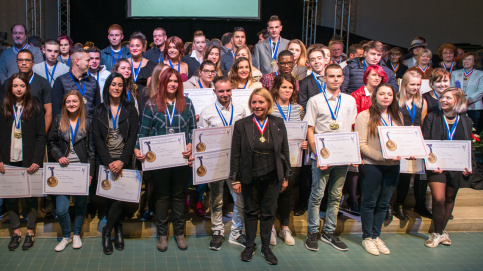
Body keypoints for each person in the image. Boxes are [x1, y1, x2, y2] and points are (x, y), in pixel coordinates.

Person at [135, 68, 196, 252]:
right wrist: (138, 148)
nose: (172, 84)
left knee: (178, 196)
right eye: (169, 81)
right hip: (159, 161)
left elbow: (193, 129)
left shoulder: (187, 103)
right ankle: (162, 234)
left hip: (181, 159)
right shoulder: (151, 104)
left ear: (179, 84)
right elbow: (143, 132)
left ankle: (179, 233)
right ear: (162, 83)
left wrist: (191, 145)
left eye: (176, 81)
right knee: (161, 197)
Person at [230, 87, 291, 265]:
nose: (257, 106)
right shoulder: (242, 124)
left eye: (261, 102)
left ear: (268, 103)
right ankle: (250, 245)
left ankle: (266, 247)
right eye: (254, 102)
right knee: (250, 212)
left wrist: (286, 177)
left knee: (268, 213)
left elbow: (285, 151)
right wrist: (235, 179)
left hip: (273, 176)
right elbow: (236, 154)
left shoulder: (278, 123)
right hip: (249, 176)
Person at [304, 64, 357, 252]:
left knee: (335, 195)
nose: (335, 79)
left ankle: (329, 232)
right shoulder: (315, 101)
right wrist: (317, 154)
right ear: (324, 78)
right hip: (322, 156)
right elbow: (310, 129)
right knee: (317, 194)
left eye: (338, 76)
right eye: (331, 76)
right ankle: (312, 232)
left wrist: (352, 153)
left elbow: (351, 128)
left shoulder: (350, 101)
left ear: (343, 78)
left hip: (342, 156)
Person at [197, 76, 247, 250]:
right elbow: (200, 140)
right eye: (221, 91)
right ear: (214, 91)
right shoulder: (207, 112)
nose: (225, 94)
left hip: (236, 162)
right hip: (215, 162)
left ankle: (236, 232)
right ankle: (217, 231)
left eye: (228, 90)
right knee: (216, 199)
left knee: (238, 198)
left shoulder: (241, 110)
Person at [92, 73, 139, 254]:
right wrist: (110, 162)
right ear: (107, 87)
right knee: (108, 198)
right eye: (113, 84)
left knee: (120, 198)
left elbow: (133, 135)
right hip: (105, 161)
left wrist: (122, 160)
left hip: (124, 159)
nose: (117, 88)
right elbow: (96, 138)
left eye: (120, 85)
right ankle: (117, 228)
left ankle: (107, 232)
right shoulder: (99, 110)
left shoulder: (130, 108)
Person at [355, 83, 404, 255]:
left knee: (384, 203)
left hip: (393, 166)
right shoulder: (364, 116)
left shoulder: (397, 115)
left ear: (393, 97)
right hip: (372, 165)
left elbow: (401, 141)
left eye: (389, 94)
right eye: (382, 94)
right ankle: (367, 237)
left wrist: (408, 151)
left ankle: (376, 236)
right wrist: (381, 157)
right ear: (374, 96)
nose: (386, 97)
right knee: (369, 202)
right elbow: (361, 145)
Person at [422, 87, 473, 247]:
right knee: (439, 198)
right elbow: (426, 142)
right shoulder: (432, 117)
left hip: (457, 167)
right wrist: (431, 163)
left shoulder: (466, 120)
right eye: (442, 97)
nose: (443, 100)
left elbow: (468, 145)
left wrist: (468, 164)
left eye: (448, 98)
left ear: (457, 101)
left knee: (450, 198)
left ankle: (441, 232)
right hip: (436, 166)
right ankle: (437, 234)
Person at [0, 73, 46, 251]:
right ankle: (16, 232)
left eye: (22, 86)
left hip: (29, 161)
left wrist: (36, 160)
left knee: (30, 198)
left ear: (27, 88)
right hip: (8, 160)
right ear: (10, 88)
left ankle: (29, 231)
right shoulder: (3, 106)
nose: (18, 89)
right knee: (10, 198)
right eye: (15, 86)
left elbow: (41, 136)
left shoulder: (35, 107)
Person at [47, 90, 94, 252]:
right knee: (61, 209)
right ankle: (66, 236)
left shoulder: (88, 121)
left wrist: (90, 173)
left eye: (75, 101)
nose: (72, 104)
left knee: (81, 204)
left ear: (80, 103)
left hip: (81, 169)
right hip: (62, 171)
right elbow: (51, 143)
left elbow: (92, 150)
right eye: (68, 102)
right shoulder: (58, 120)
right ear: (64, 104)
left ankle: (76, 235)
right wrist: (59, 156)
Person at [269, 73, 308, 246]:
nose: (287, 90)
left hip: (292, 157)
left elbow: (302, 131)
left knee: (287, 193)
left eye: (290, 87)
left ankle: (284, 227)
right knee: (271, 193)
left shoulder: (298, 109)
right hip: (271, 158)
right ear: (276, 88)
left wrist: (305, 141)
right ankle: (269, 227)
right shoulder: (270, 108)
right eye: (284, 87)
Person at [392, 70, 430, 220]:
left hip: (414, 142)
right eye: (412, 84)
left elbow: (422, 123)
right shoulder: (395, 100)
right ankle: (390, 204)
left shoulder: (422, 101)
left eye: (418, 84)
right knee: (396, 176)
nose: (416, 87)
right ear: (404, 84)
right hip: (399, 141)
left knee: (408, 176)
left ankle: (400, 204)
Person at [1, 49, 53, 132]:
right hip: (12, 129)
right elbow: (3, 108)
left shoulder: (43, 83)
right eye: (20, 60)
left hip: (35, 130)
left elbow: (49, 111)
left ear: (33, 63)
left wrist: (43, 135)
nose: (24, 63)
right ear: (17, 62)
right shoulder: (8, 83)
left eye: (27, 60)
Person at [52, 49, 101, 117]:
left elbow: (98, 107)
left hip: (90, 125)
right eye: (87, 60)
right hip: (69, 125)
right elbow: (56, 109)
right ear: (77, 61)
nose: (90, 64)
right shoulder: (61, 81)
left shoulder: (93, 81)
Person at [451, 52, 483, 134]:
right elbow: (452, 88)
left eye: (469, 59)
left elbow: (481, 90)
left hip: (474, 107)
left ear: (474, 62)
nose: (466, 61)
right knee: (459, 130)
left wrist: (469, 100)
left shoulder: (480, 74)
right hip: (458, 106)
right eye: (465, 59)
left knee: (473, 131)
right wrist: (460, 100)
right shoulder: (455, 73)